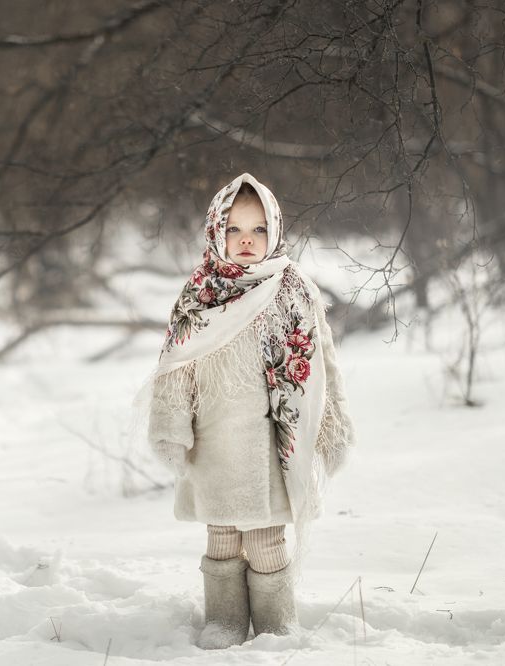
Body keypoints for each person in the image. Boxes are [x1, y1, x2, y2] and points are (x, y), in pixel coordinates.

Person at [147, 173, 355, 649]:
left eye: (258, 229)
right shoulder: (201, 293)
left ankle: (276, 624)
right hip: (215, 442)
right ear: (216, 231)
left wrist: (331, 426)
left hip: (273, 447)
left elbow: (322, 362)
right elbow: (175, 368)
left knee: (265, 540)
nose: (246, 240)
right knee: (222, 537)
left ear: (276, 231)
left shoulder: (293, 290)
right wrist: (170, 428)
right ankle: (223, 621)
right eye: (235, 229)